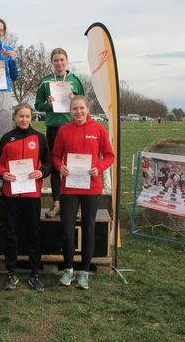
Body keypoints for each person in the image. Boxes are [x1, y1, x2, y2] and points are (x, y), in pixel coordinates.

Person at [52, 96, 114, 290]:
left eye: (81, 108)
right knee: (67, 230)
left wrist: (99, 168)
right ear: (70, 111)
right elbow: (55, 155)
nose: (78, 112)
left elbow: (109, 156)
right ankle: (69, 270)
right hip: (69, 187)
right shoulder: (63, 130)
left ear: (88, 109)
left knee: (89, 228)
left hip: (91, 186)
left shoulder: (98, 129)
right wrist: (60, 166)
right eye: (74, 109)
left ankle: (85, 273)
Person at [0, 103, 52, 292]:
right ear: (15, 117)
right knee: (11, 233)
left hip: (31, 194)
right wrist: (4, 174)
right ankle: (11, 273)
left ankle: (34, 274)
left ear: (32, 117)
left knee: (33, 233)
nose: (24, 119)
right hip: (11, 194)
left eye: (27, 116)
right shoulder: (6, 138)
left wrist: (41, 172)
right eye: (21, 116)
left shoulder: (40, 138)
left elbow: (48, 163)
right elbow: (0, 165)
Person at [34, 48, 84, 218]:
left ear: (67, 60)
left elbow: (84, 103)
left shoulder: (75, 80)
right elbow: (37, 105)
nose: (59, 63)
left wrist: (74, 99)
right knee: (56, 166)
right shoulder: (45, 82)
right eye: (56, 60)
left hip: (73, 128)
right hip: (54, 128)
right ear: (52, 62)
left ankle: (74, 206)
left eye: (62, 59)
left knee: (74, 164)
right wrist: (47, 104)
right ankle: (56, 203)